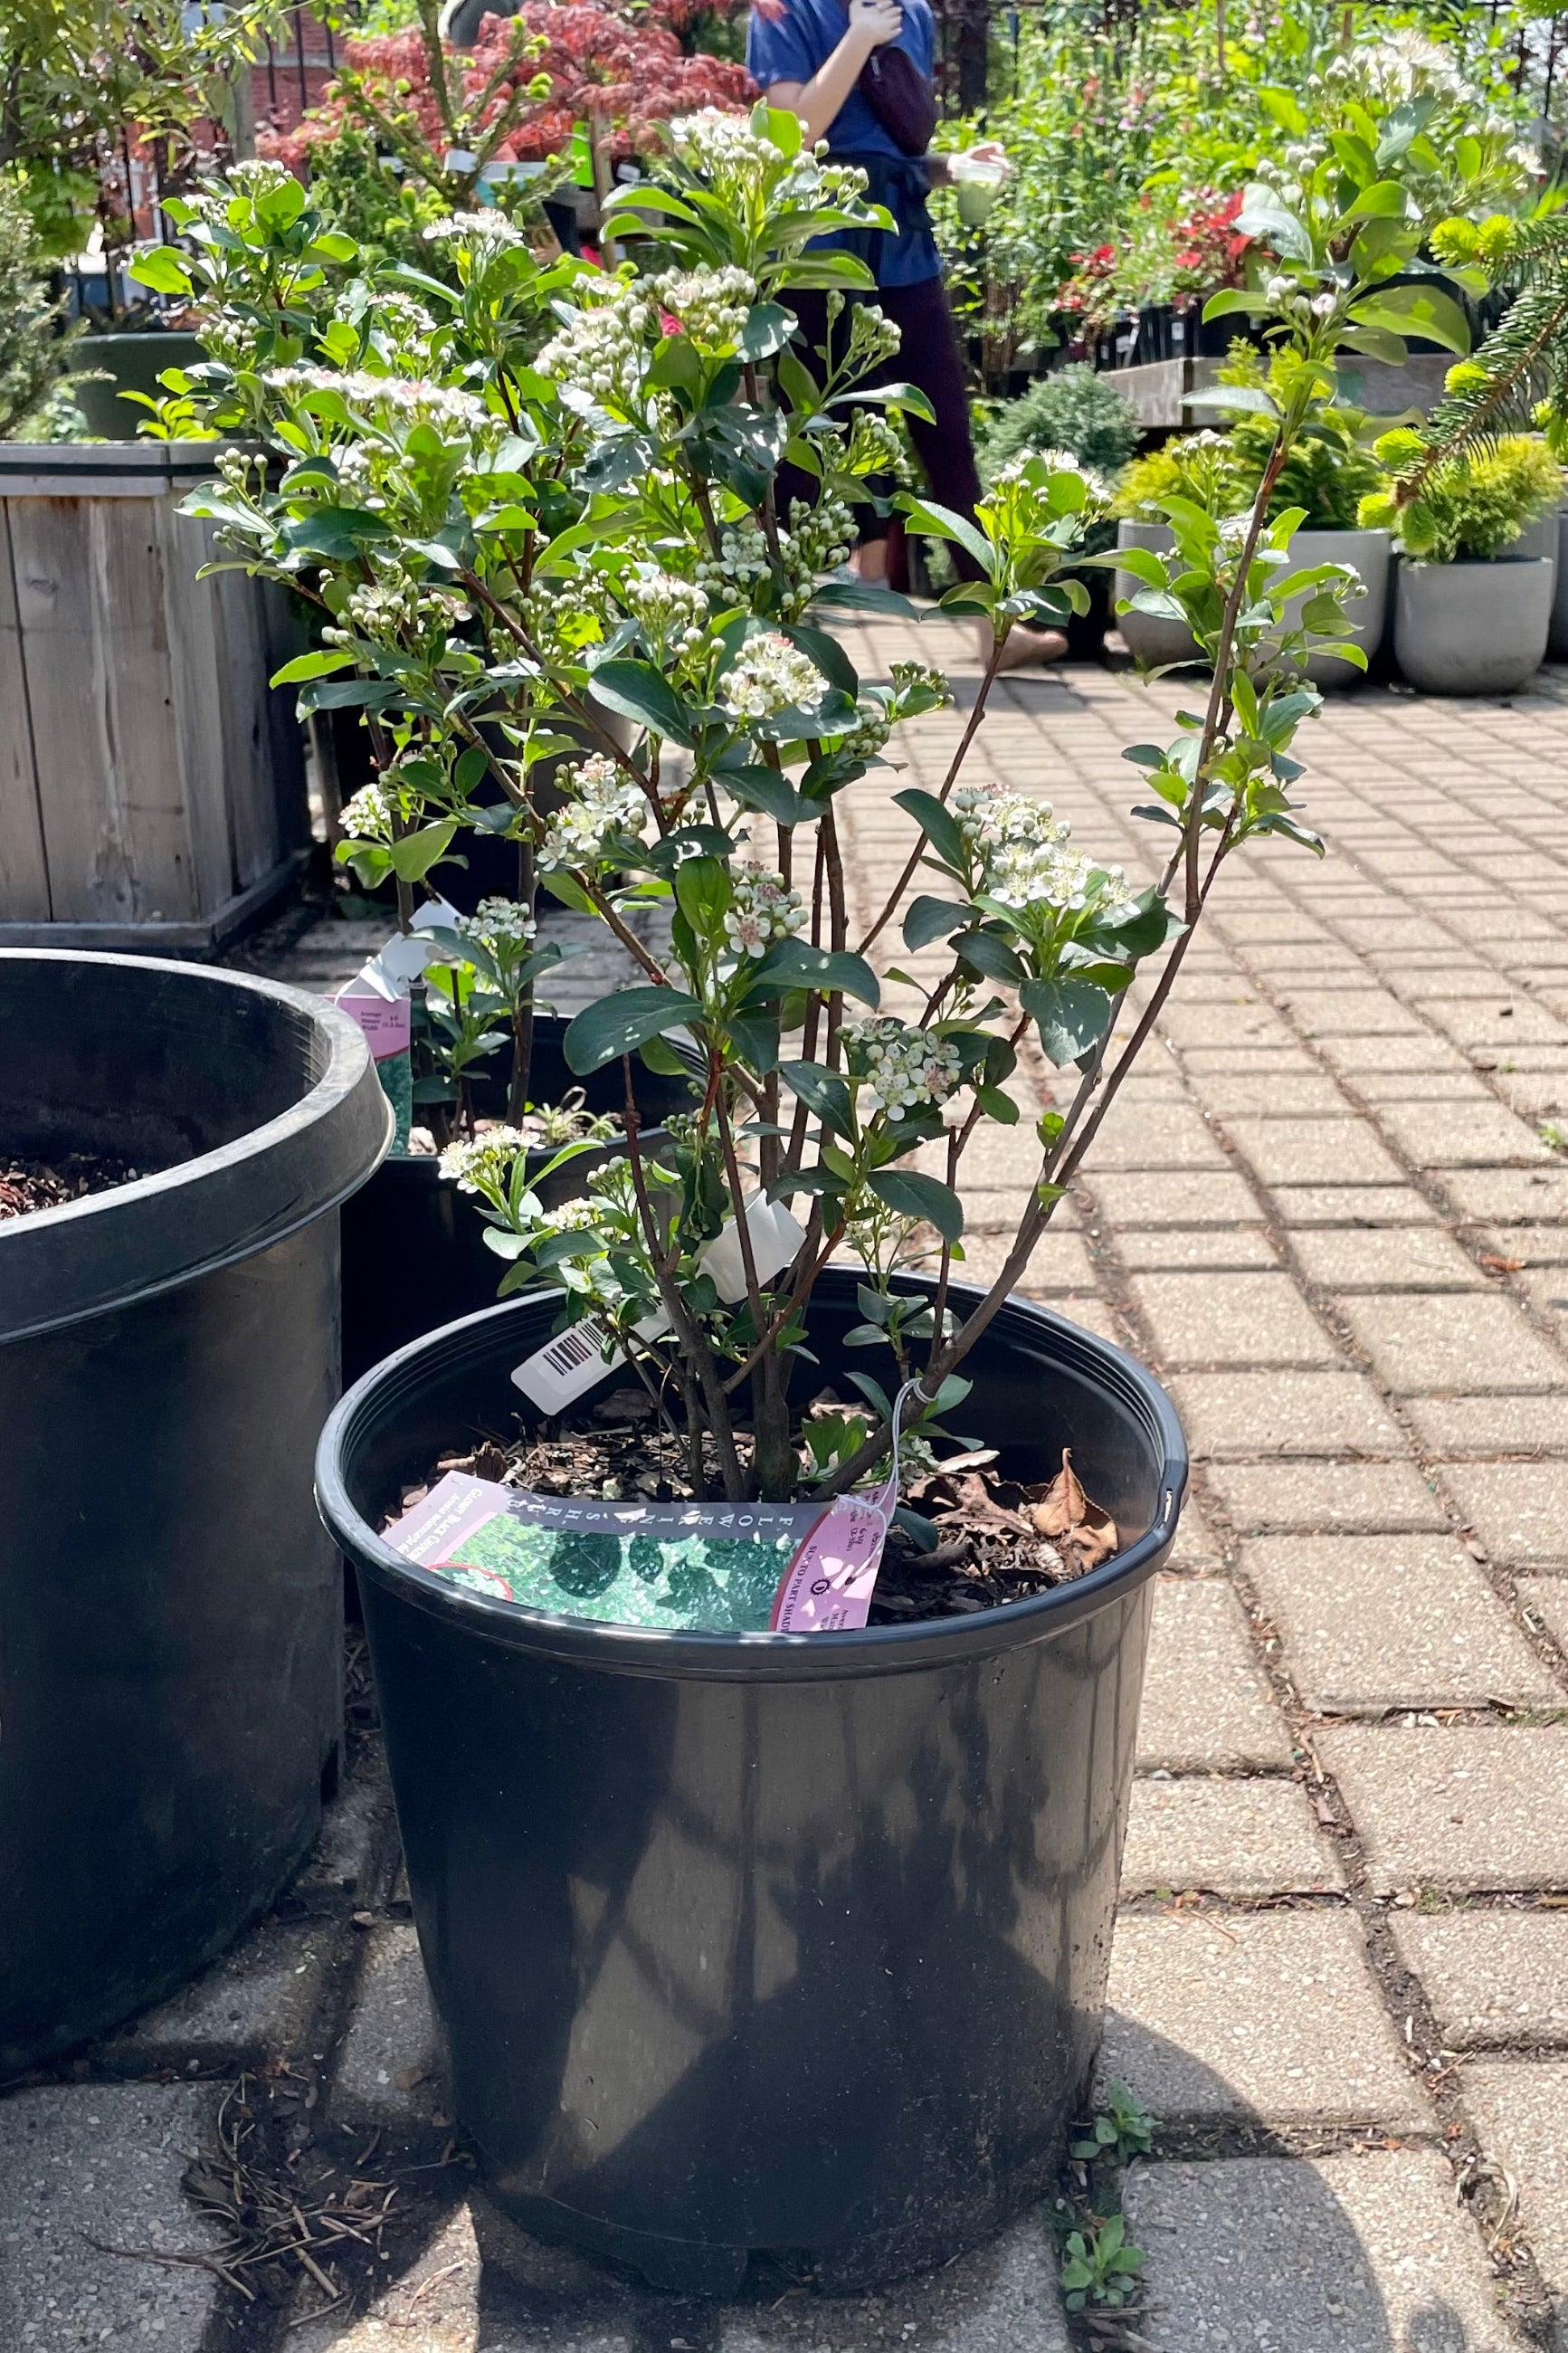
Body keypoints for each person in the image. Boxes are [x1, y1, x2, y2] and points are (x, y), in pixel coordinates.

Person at [746, 0, 1065, 667]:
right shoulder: (784, 11)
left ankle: (992, 630)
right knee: (812, 434)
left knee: (946, 433)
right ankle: (767, 633)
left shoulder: (911, 13)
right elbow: (792, 133)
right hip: (817, 247)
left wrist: (951, 167)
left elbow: (885, 149)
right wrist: (859, 37)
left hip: (904, 246)